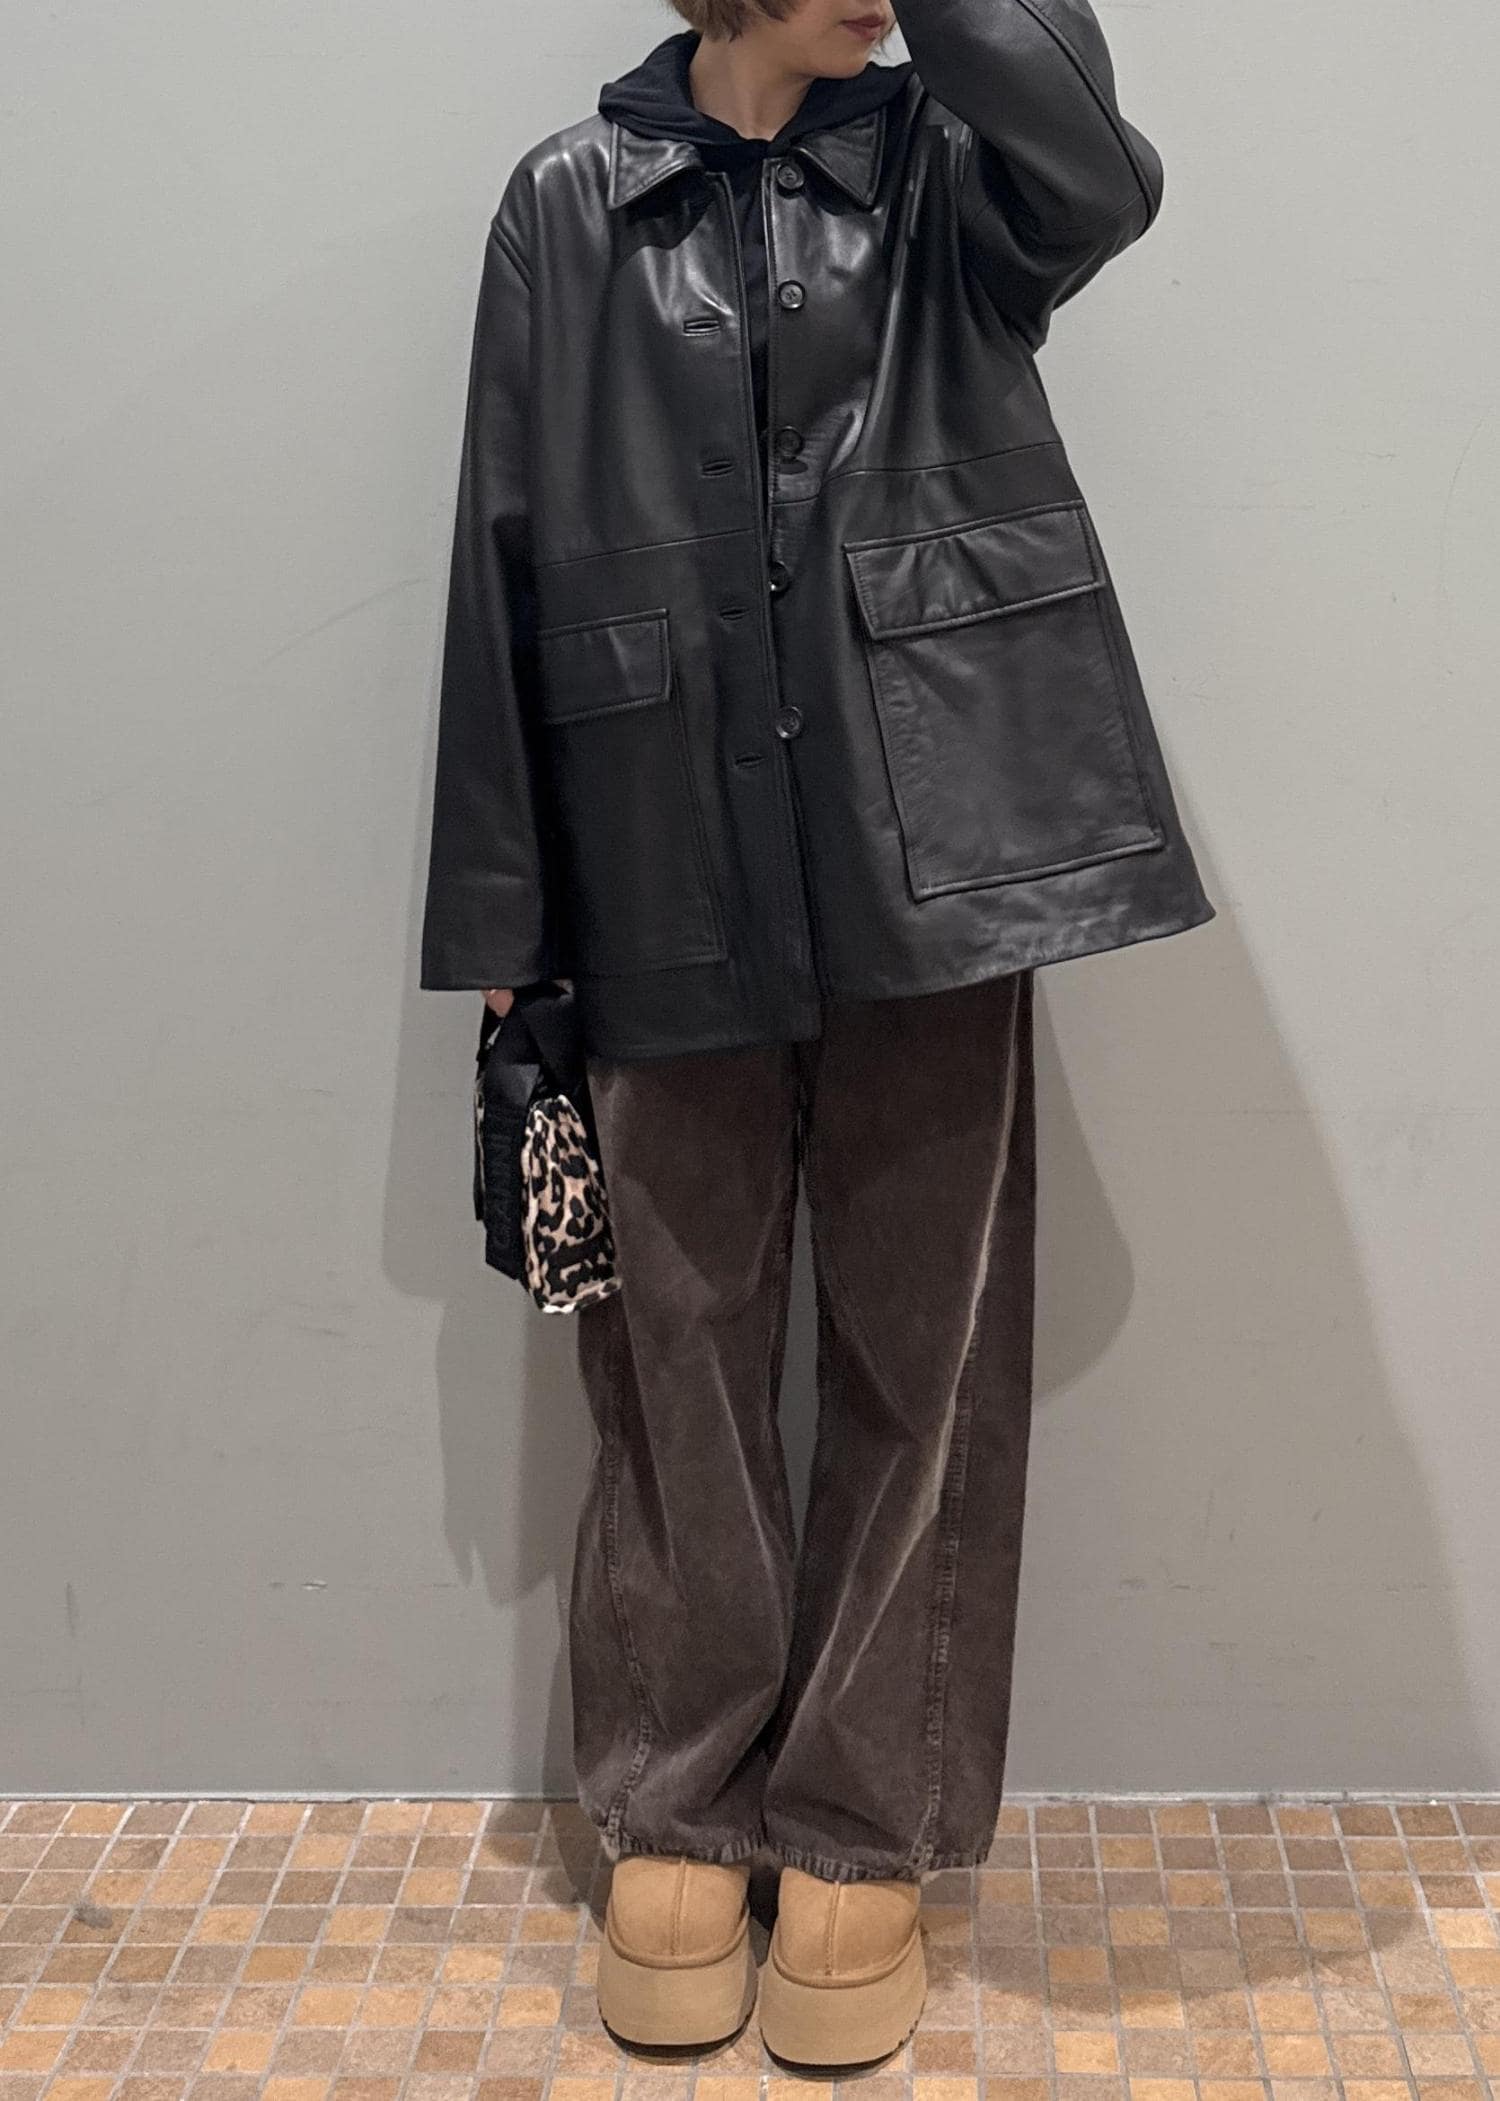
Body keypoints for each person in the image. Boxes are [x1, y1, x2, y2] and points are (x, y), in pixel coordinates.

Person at [419, 0, 1213, 2066]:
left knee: (918, 1347)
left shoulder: (957, 170)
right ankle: (680, 1797)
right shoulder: (566, 206)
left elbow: (1103, 175)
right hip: (653, 837)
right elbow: (501, 554)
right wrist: (510, 935)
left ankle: (864, 1823)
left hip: (931, 844)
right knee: (672, 1345)